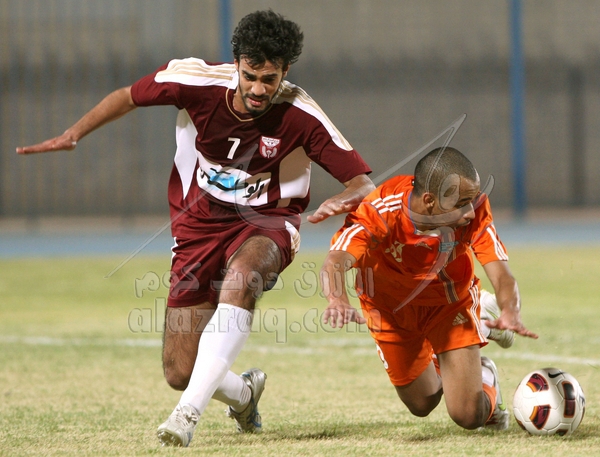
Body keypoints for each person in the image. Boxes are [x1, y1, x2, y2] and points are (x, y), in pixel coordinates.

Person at [16, 10, 374, 447]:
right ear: (236, 64)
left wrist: (344, 197)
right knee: (179, 371)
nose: (258, 89)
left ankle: (187, 415)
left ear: (285, 71)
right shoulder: (195, 81)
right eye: (250, 76)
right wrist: (74, 134)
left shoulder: (302, 114)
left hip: (268, 222)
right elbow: (128, 96)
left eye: (270, 79)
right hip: (198, 226)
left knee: (242, 279)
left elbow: (363, 183)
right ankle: (243, 394)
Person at [320, 147, 538, 431]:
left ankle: (485, 376)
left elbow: (501, 273)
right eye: (462, 203)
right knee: (422, 404)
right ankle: (477, 341)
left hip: (450, 304)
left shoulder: (474, 211)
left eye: (472, 200)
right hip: (390, 311)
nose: (470, 211)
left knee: (468, 416)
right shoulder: (380, 211)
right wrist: (337, 300)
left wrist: (510, 310)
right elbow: (335, 261)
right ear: (429, 201)